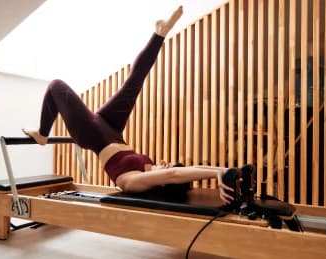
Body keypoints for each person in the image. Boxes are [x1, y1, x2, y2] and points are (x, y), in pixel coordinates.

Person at [23, 6, 237, 204]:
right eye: (170, 164)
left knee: (55, 86)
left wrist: (218, 173)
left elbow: (175, 175)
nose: (166, 164)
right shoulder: (149, 169)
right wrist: (223, 169)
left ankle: (42, 134)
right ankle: (160, 33)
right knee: (134, 81)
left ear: (163, 181)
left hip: (92, 135)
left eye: (168, 168)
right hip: (112, 128)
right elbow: (181, 171)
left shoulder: (132, 182)